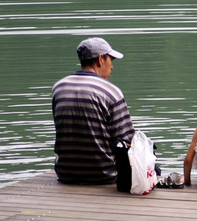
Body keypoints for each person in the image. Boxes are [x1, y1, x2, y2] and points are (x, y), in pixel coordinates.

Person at [52, 37, 135, 184]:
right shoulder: (111, 92)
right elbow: (126, 141)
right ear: (101, 59)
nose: (112, 66)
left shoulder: (59, 88)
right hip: (104, 175)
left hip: (65, 174)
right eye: (111, 60)